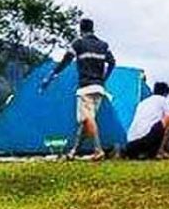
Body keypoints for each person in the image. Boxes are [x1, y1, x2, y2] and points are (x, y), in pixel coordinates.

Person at [40, 18, 116, 161]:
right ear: (93, 29)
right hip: (99, 88)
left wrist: (51, 75)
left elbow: (66, 60)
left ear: (81, 30)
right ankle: (74, 151)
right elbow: (112, 62)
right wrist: (104, 78)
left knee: (88, 118)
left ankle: (98, 150)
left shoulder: (78, 44)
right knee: (85, 122)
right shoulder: (103, 45)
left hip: (85, 88)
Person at [124, 82, 169, 160]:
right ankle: (160, 150)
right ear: (166, 93)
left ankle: (145, 152)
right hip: (147, 139)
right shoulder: (162, 99)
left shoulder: (142, 103)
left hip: (131, 143)